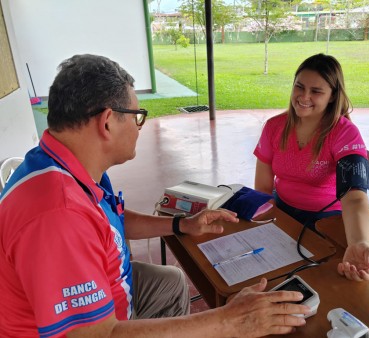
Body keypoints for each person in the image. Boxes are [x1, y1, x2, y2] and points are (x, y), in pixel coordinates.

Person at [0, 54, 311, 337]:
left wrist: (182, 225)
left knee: (171, 281)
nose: (139, 127)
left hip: (113, 289)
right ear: (107, 121)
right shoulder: (59, 215)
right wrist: (229, 321)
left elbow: (113, 222)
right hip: (93, 327)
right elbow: (98, 335)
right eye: (137, 116)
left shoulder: (66, 165)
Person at [253, 53, 369, 282]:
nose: (304, 96)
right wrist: (264, 227)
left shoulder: (344, 132)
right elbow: (262, 186)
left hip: (328, 220)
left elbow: (355, 197)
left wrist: (359, 242)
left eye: (316, 91)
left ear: (332, 96)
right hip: (282, 211)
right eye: (299, 86)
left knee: (322, 281)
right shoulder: (273, 127)